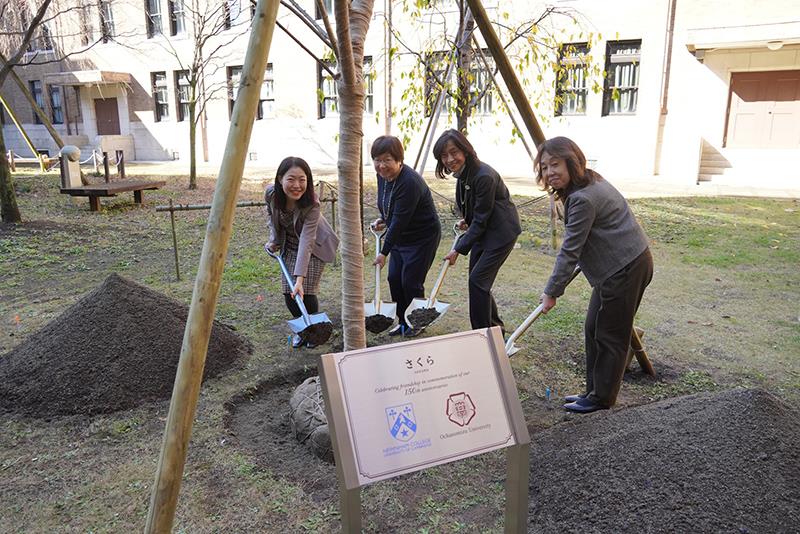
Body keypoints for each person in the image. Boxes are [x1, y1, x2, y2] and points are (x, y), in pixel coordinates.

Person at [535, 137, 653, 414]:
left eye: (555, 164)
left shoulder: (582, 198)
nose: (550, 172)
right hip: (617, 267)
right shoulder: (587, 182)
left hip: (625, 268)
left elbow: (570, 249)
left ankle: (602, 399)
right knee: (593, 328)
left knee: (610, 334)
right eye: (544, 167)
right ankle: (593, 391)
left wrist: (552, 291)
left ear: (571, 162)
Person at [432, 129, 521, 334]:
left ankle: (483, 335)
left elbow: (482, 219)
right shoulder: (465, 173)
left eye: (454, 152)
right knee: (479, 281)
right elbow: (477, 210)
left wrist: (458, 249)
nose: (450, 159)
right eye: (444, 155)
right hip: (484, 230)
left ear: (465, 150)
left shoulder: (484, 176)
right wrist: (467, 219)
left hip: (501, 233)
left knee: (478, 281)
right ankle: (495, 329)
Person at [370, 135, 441, 337]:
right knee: (394, 278)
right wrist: (383, 219)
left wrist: (383, 252)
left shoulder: (410, 182)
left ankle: (417, 322)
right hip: (401, 236)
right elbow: (391, 205)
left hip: (422, 238)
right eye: (377, 159)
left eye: (387, 160)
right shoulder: (382, 175)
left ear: (399, 160)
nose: (381, 165)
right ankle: (403, 321)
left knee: (411, 282)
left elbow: (400, 220)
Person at [265, 156, 339, 348]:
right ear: (280, 179)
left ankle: (315, 331)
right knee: (288, 294)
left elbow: (307, 240)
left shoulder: (311, 204)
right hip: (289, 244)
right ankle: (303, 329)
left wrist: (299, 279)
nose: (297, 185)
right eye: (291, 179)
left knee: (306, 290)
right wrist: (273, 241)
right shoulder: (272, 194)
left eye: (302, 179)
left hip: (314, 248)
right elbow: (271, 216)